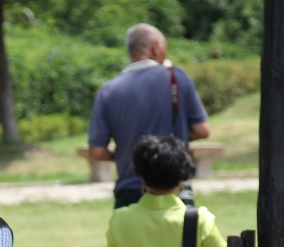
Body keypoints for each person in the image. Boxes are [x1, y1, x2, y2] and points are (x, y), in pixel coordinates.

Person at [89, 23, 211, 209]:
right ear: (155, 47)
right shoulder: (176, 78)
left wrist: (130, 153)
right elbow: (202, 130)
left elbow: (96, 151)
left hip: (129, 189)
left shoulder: (108, 91)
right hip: (175, 187)